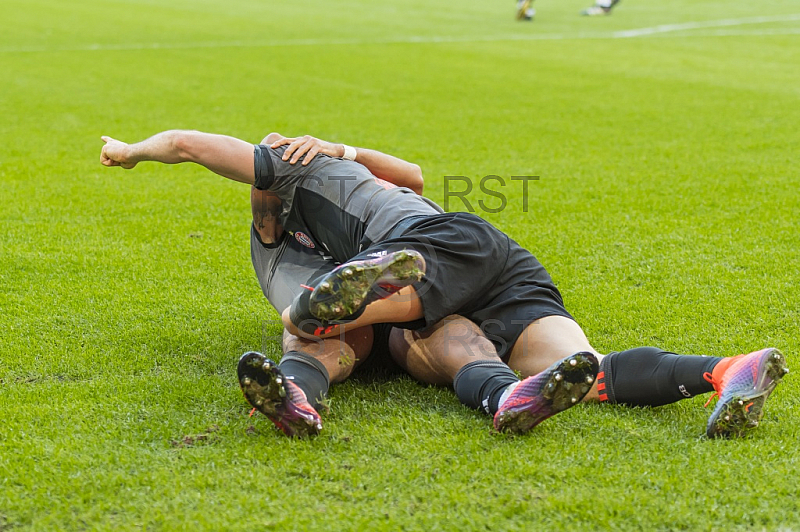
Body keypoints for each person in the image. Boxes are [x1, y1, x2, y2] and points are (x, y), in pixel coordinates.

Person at [100, 130, 790, 440]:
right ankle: (728, 370)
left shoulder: (306, 172)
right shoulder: (280, 242)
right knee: (577, 368)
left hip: (444, 249)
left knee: (319, 321)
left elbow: (190, 143)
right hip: (490, 273)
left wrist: (129, 152)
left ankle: (327, 330)